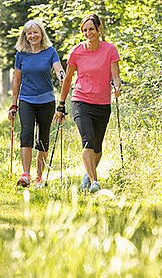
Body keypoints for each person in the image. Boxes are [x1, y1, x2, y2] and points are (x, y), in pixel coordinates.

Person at [53, 13, 121, 193]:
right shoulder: (76, 52)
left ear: (99, 29)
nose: (88, 33)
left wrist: (117, 86)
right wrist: (61, 104)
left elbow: (116, 76)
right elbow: (67, 80)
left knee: (97, 147)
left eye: (91, 29)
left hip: (103, 103)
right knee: (88, 140)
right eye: (85, 30)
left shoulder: (110, 50)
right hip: (81, 100)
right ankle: (94, 183)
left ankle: (87, 175)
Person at [8, 20, 64, 188]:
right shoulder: (21, 55)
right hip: (26, 100)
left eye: (35, 32)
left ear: (41, 34)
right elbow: (17, 80)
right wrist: (13, 104)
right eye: (29, 33)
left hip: (46, 100)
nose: (32, 36)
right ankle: (26, 175)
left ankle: (39, 177)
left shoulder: (50, 52)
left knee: (42, 139)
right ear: (25, 36)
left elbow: (58, 69)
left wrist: (63, 77)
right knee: (26, 134)